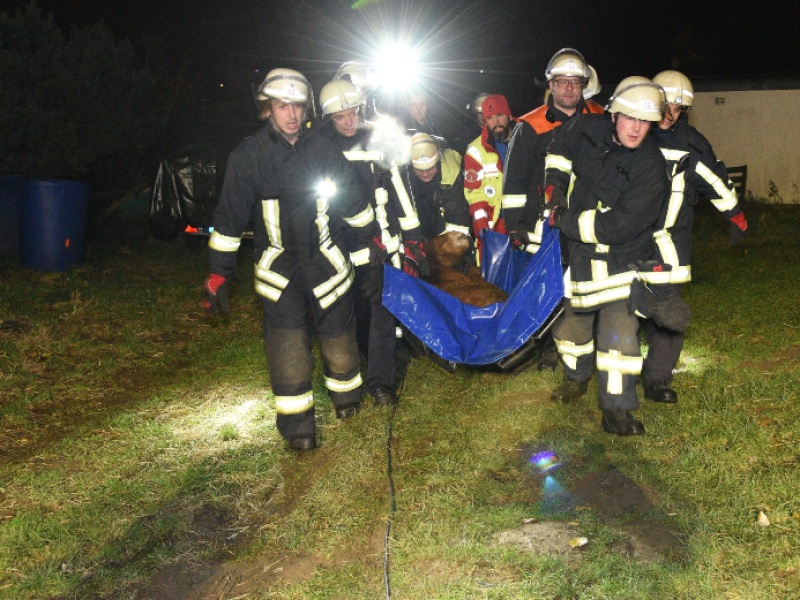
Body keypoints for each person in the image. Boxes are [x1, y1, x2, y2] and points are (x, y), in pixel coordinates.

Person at [202, 68, 383, 451]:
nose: (291, 115)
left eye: (297, 106)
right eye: (282, 105)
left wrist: (374, 246)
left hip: (327, 265)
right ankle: (299, 430)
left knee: (340, 339)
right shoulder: (248, 157)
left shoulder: (323, 150)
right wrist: (219, 274)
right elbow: (229, 220)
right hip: (279, 272)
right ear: (267, 108)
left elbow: (353, 201)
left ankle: (348, 402)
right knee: (288, 349)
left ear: (307, 109)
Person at [544, 77, 670, 436]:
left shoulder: (650, 165)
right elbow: (557, 151)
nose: (636, 128)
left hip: (620, 264)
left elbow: (619, 226)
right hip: (580, 262)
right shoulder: (585, 128)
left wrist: (564, 219)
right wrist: (554, 191)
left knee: (619, 339)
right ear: (613, 115)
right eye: (630, 118)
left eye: (645, 121)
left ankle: (617, 410)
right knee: (571, 332)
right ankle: (575, 378)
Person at [641, 70, 748, 404]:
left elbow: (715, 181)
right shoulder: (632, 133)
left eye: (676, 107)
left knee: (668, 315)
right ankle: (622, 374)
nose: (668, 113)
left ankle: (657, 380)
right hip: (627, 243)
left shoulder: (691, 145)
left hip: (671, 246)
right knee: (624, 311)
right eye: (664, 104)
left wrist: (737, 217)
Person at [317, 78, 425, 406]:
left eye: (353, 113)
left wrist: (413, 239)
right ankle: (347, 379)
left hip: (380, 247)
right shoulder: (319, 147)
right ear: (328, 119)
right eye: (340, 116)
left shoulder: (378, 140)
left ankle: (382, 385)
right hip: (338, 248)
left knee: (381, 313)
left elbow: (400, 192)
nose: (349, 121)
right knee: (345, 315)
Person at [503, 48, 604, 371]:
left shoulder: (600, 119)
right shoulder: (530, 126)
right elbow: (514, 180)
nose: (569, 89)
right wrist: (515, 225)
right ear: (551, 84)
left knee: (590, 283)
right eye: (562, 82)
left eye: (575, 82)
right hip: (543, 224)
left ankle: (592, 341)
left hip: (589, 222)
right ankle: (547, 348)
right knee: (548, 288)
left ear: (584, 84)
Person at [463, 94, 515, 260]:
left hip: (524, 225)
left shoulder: (525, 138)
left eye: (499, 115)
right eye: (490, 118)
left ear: (508, 115)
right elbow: (475, 195)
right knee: (492, 285)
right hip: (494, 228)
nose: (496, 122)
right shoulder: (475, 151)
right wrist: (482, 227)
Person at [405, 133, 471, 241]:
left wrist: (444, 247)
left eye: (430, 168)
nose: (425, 174)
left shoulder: (451, 172)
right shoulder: (403, 174)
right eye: (420, 170)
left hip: (445, 234)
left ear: (437, 161)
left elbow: (459, 217)